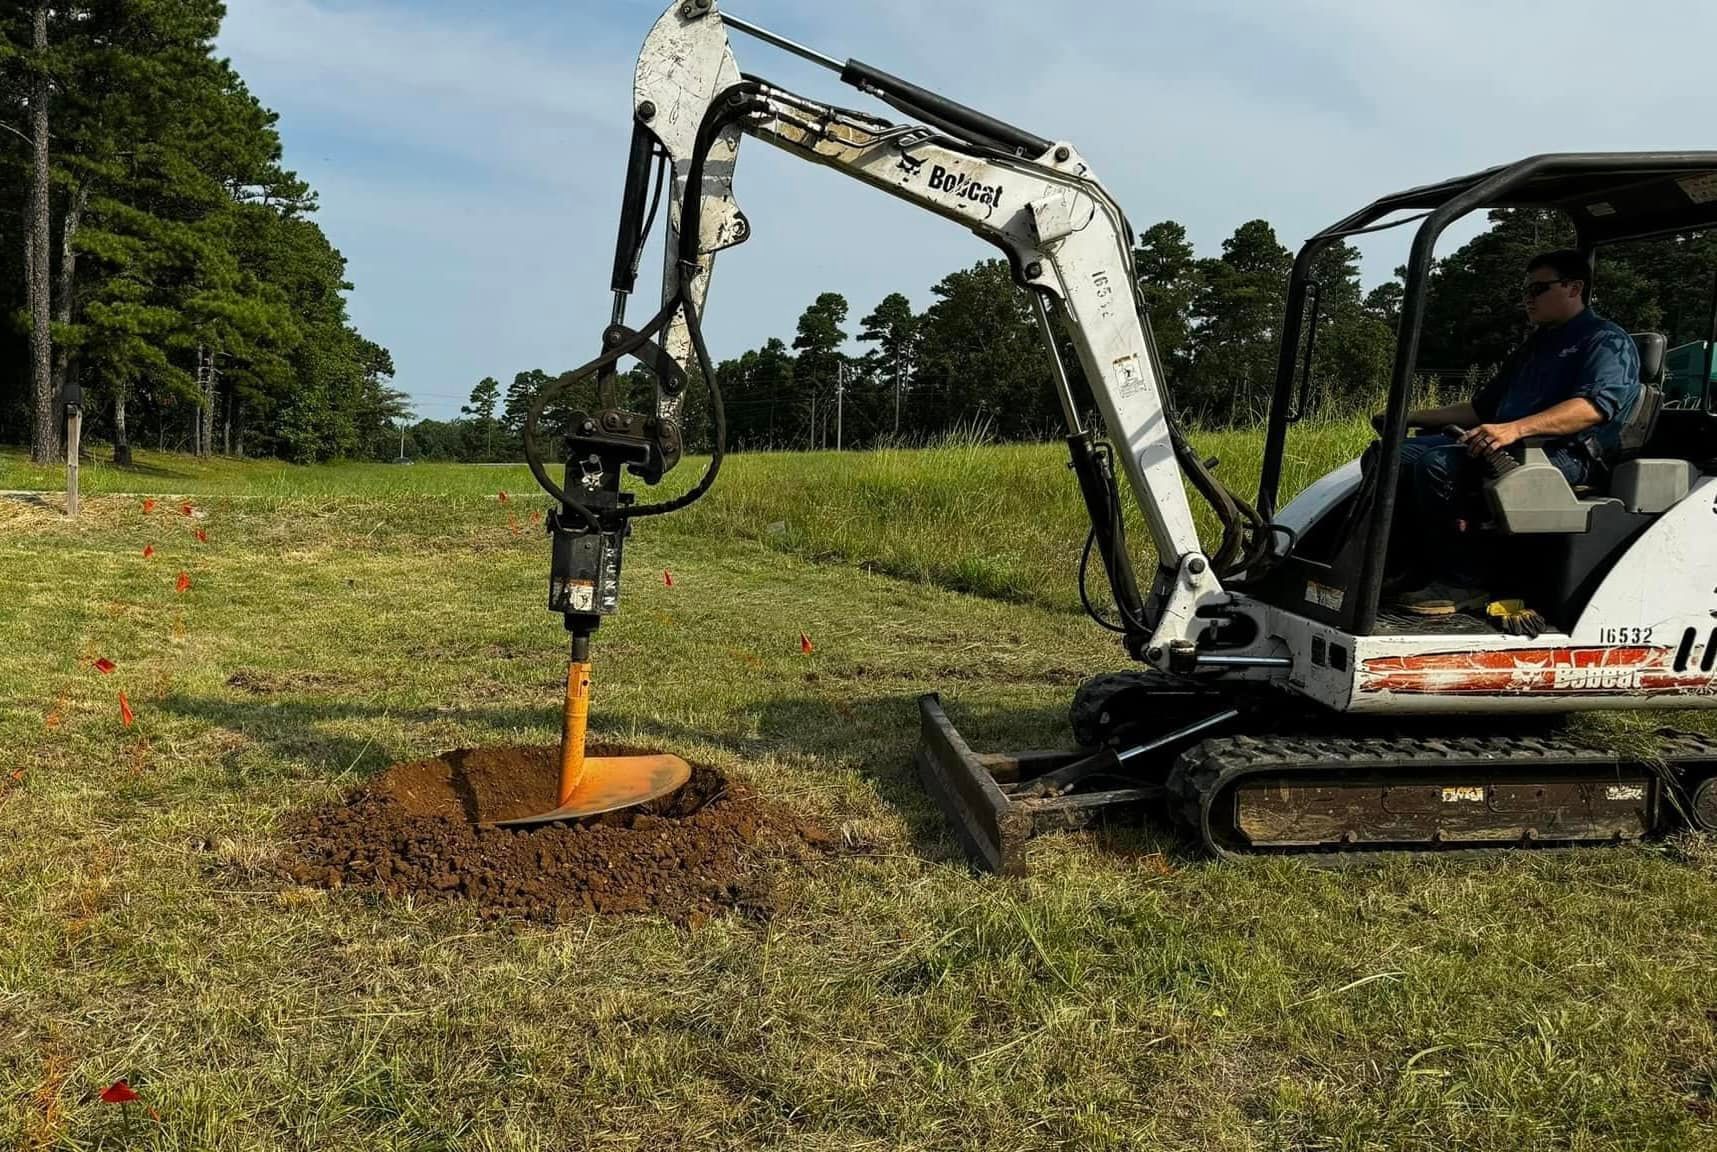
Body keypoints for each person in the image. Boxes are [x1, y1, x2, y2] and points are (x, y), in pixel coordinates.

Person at [1381, 249, 1642, 615]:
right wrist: (1406, 417)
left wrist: (1514, 429)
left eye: (1538, 289)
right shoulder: (1535, 346)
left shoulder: (1605, 342)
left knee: (1437, 464)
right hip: (1508, 444)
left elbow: (1593, 408)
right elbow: (1481, 409)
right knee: (1388, 455)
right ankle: (1412, 565)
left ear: (1573, 288)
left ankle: (1463, 582)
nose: (1527, 299)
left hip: (1564, 455)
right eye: (1525, 291)